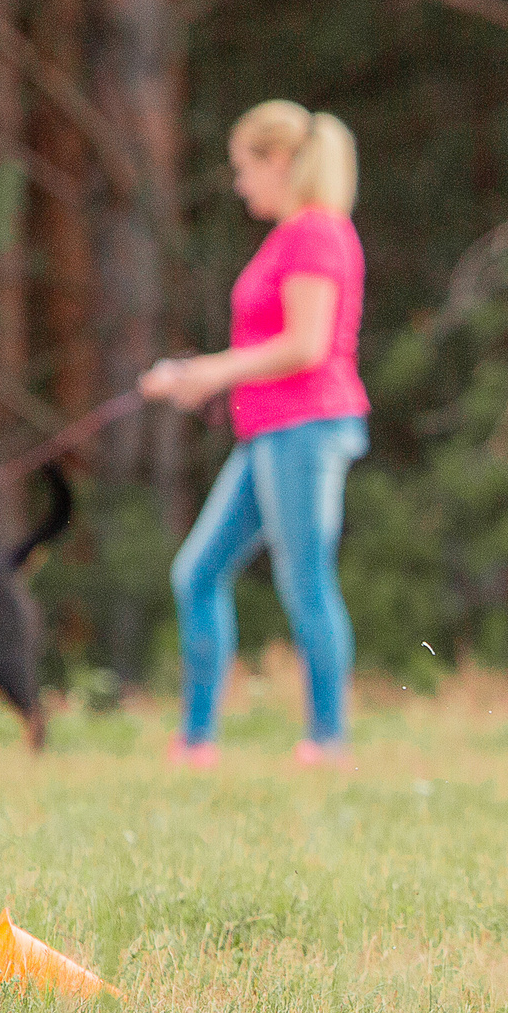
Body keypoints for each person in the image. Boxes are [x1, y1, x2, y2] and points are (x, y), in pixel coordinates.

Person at [142, 100, 369, 768]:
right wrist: (203, 378)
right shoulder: (289, 234)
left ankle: (328, 741)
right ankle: (196, 739)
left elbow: (306, 345)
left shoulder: (315, 234)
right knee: (198, 573)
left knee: (304, 581)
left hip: (306, 430)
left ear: (277, 162)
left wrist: (207, 372)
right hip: (270, 430)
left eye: (244, 168)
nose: (240, 183)